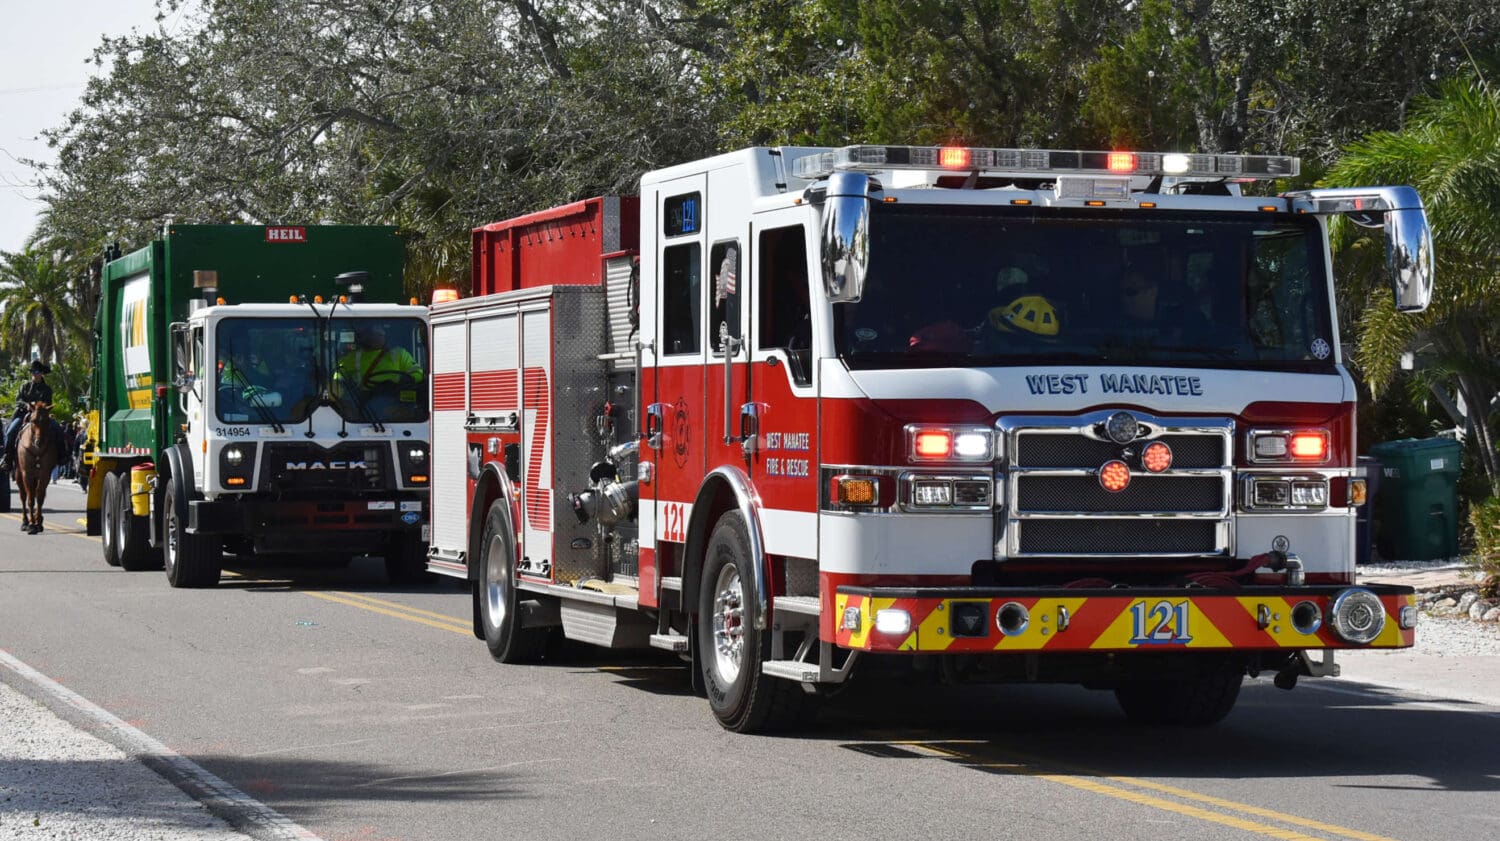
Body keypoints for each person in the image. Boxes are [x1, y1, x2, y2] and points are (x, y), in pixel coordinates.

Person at [1, 360, 59, 472]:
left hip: (41, 416)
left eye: (37, 372)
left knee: (58, 429)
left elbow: (48, 403)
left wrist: (37, 407)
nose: (34, 374)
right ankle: (7, 458)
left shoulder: (47, 389)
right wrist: (26, 405)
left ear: (41, 373)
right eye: (33, 372)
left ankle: (62, 456)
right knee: (10, 431)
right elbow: (18, 400)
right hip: (24, 414)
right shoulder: (24, 386)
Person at [335, 324, 422, 394]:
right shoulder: (355, 356)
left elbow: (417, 372)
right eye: (370, 335)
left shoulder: (399, 353)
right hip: (364, 401)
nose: (373, 338)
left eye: (378, 335)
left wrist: (406, 381)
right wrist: (340, 383)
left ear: (384, 336)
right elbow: (339, 372)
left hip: (395, 398)